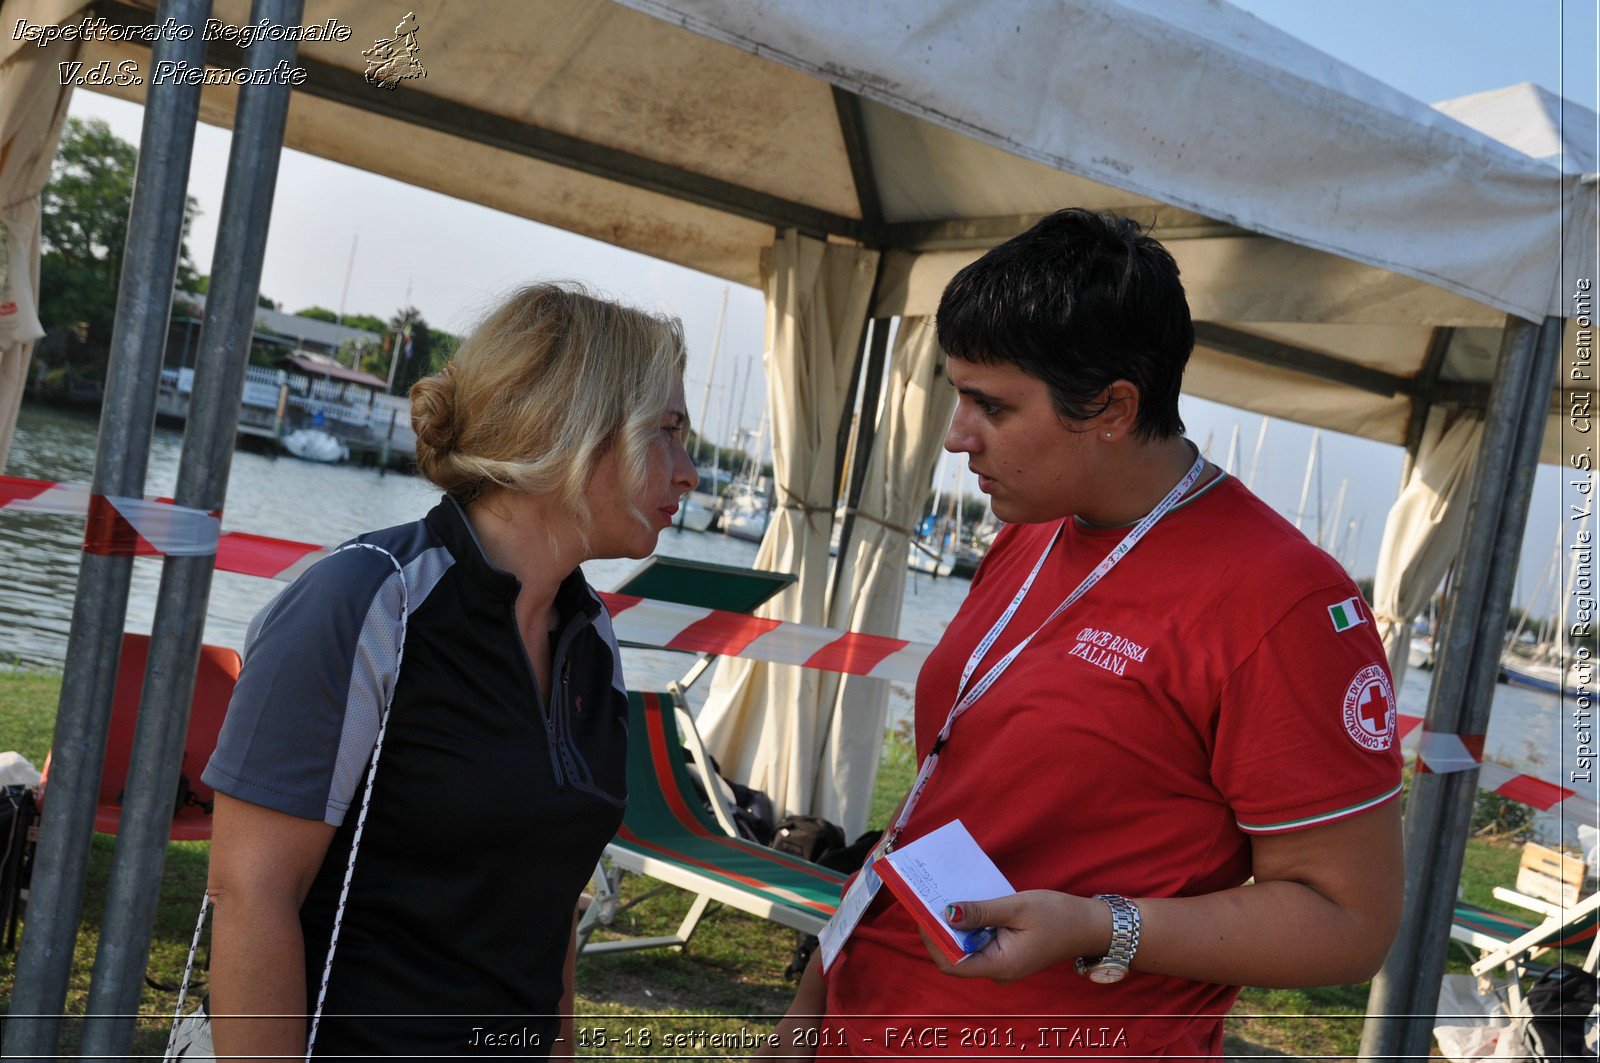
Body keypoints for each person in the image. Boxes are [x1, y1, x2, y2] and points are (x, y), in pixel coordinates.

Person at [763, 210, 1404, 1059]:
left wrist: (1098, 926)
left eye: (991, 404)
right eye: (957, 394)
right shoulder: (1031, 528)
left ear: (1111, 408)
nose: (958, 436)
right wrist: (811, 1003)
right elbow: (936, 804)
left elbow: (1349, 920)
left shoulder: (1281, 599)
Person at [202, 282, 698, 1059]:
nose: (689, 470)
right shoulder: (369, 601)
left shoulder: (590, 637)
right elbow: (247, 894)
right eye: (667, 431)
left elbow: (548, 910)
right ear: (571, 428)